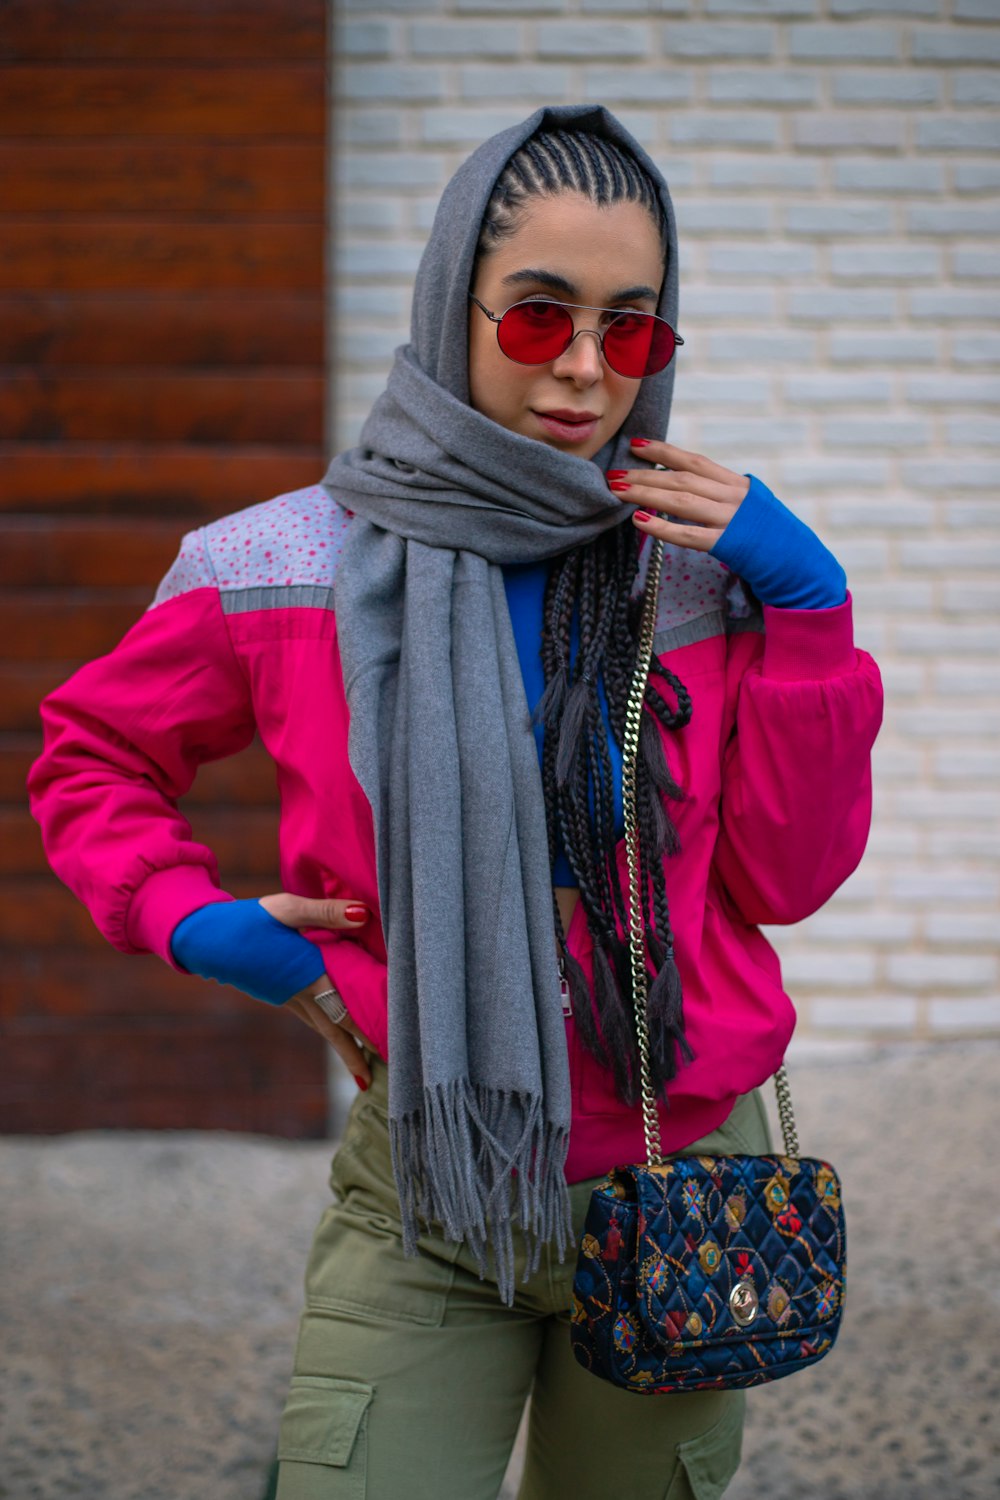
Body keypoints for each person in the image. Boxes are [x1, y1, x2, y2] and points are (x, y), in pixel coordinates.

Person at [28, 105, 883, 1500]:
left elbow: (787, 880)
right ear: (453, 300)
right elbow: (91, 757)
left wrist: (812, 608)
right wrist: (202, 922)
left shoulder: (707, 578)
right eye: (541, 319)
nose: (592, 372)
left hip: (680, 1173)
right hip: (429, 1173)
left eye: (636, 330)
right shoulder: (288, 563)